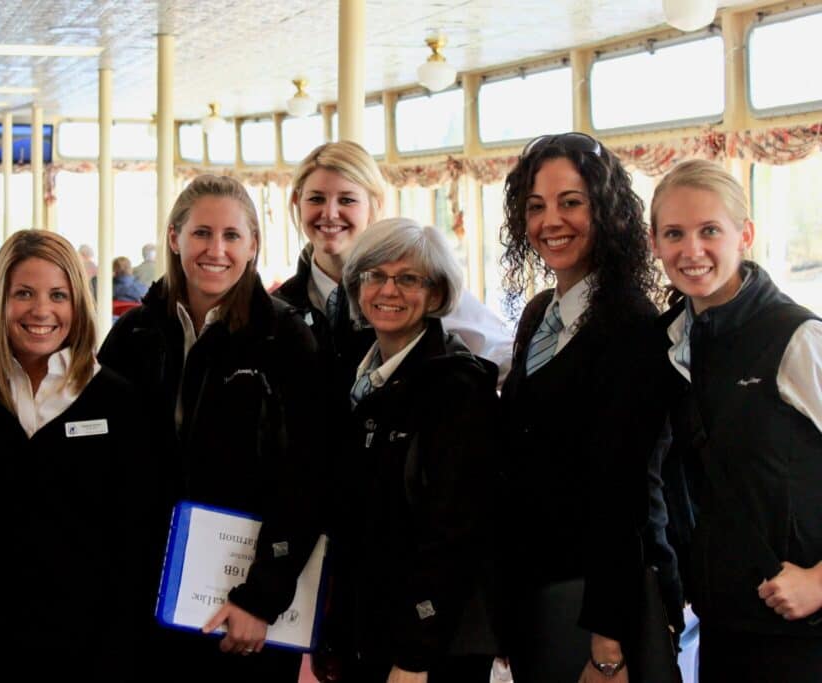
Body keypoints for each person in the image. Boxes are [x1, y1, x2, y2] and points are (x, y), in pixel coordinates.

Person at [97, 174, 325, 682]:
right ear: (174, 238)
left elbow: (308, 478)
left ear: (254, 246)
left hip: (243, 603)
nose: (215, 250)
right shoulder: (133, 336)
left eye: (231, 236)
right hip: (144, 593)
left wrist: (262, 595)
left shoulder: (285, 339)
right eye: (201, 233)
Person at [497, 133, 681, 683]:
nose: (550, 220)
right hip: (539, 588)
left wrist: (609, 643)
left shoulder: (631, 327)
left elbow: (624, 495)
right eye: (536, 206)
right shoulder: (538, 316)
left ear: (607, 210)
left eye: (570, 202)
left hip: (601, 607)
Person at [649, 159, 822, 683]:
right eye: (674, 234)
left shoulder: (796, 338)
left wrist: (820, 581)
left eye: (709, 231)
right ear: (654, 243)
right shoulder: (670, 344)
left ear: (744, 234)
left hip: (801, 628)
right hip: (720, 624)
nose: (691, 250)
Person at [0, 229, 153, 681]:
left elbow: (136, 549)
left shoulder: (119, 402)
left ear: (77, 304)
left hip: (90, 651)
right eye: (23, 293)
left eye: (58, 295)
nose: (42, 310)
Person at [324, 217, 501, 682]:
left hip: (431, 643)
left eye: (408, 279)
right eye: (376, 275)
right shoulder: (351, 373)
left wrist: (415, 656)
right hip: (368, 627)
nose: (389, 290)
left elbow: (453, 532)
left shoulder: (459, 387)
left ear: (437, 293)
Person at [275, 140, 513, 389]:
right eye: (316, 199)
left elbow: (504, 359)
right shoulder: (279, 308)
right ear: (296, 202)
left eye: (347, 200)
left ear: (375, 204)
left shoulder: (418, 283)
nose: (330, 213)